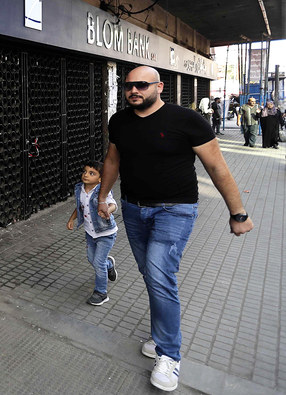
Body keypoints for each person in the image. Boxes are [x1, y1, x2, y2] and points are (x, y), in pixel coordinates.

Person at [98, 66, 254, 392]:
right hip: (133, 208)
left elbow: (216, 166)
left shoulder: (187, 120)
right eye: (128, 85)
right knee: (152, 274)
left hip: (176, 209)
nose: (133, 91)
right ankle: (159, 337)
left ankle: (169, 355)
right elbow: (113, 161)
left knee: (158, 275)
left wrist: (238, 214)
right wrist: (103, 196)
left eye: (141, 85)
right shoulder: (120, 122)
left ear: (159, 86)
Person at [66, 161, 118, 306]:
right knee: (91, 259)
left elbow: (113, 204)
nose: (86, 175)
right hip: (90, 233)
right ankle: (109, 265)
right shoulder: (80, 189)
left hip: (106, 233)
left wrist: (108, 210)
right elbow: (80, 207)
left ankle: (101, 293)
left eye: (92, 173)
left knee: (98, 262)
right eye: (85, 172)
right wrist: (71, 219)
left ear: (100, 179)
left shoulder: (103, 190)